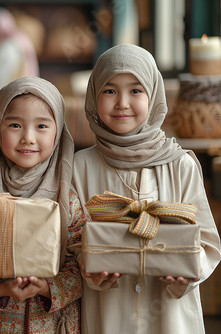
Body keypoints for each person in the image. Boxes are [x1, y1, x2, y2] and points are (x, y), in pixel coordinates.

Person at [72, 43, 221, 334]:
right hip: (108, 315)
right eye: (109, 90)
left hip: (170, 318)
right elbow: (73, 242)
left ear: (154, 95)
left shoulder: (181, 165)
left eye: (136, 90)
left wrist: (190, 273)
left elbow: (208, 244)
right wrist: (91, 272)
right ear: (93, 95)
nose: (122, 103)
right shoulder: (80, 167)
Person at [0, 76, 87, 333]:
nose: (28, 138)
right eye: (14, 125)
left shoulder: (67, 200)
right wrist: (0, 289)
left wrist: (46, 287)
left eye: (42, 126)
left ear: (58, 131)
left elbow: (82, 267)